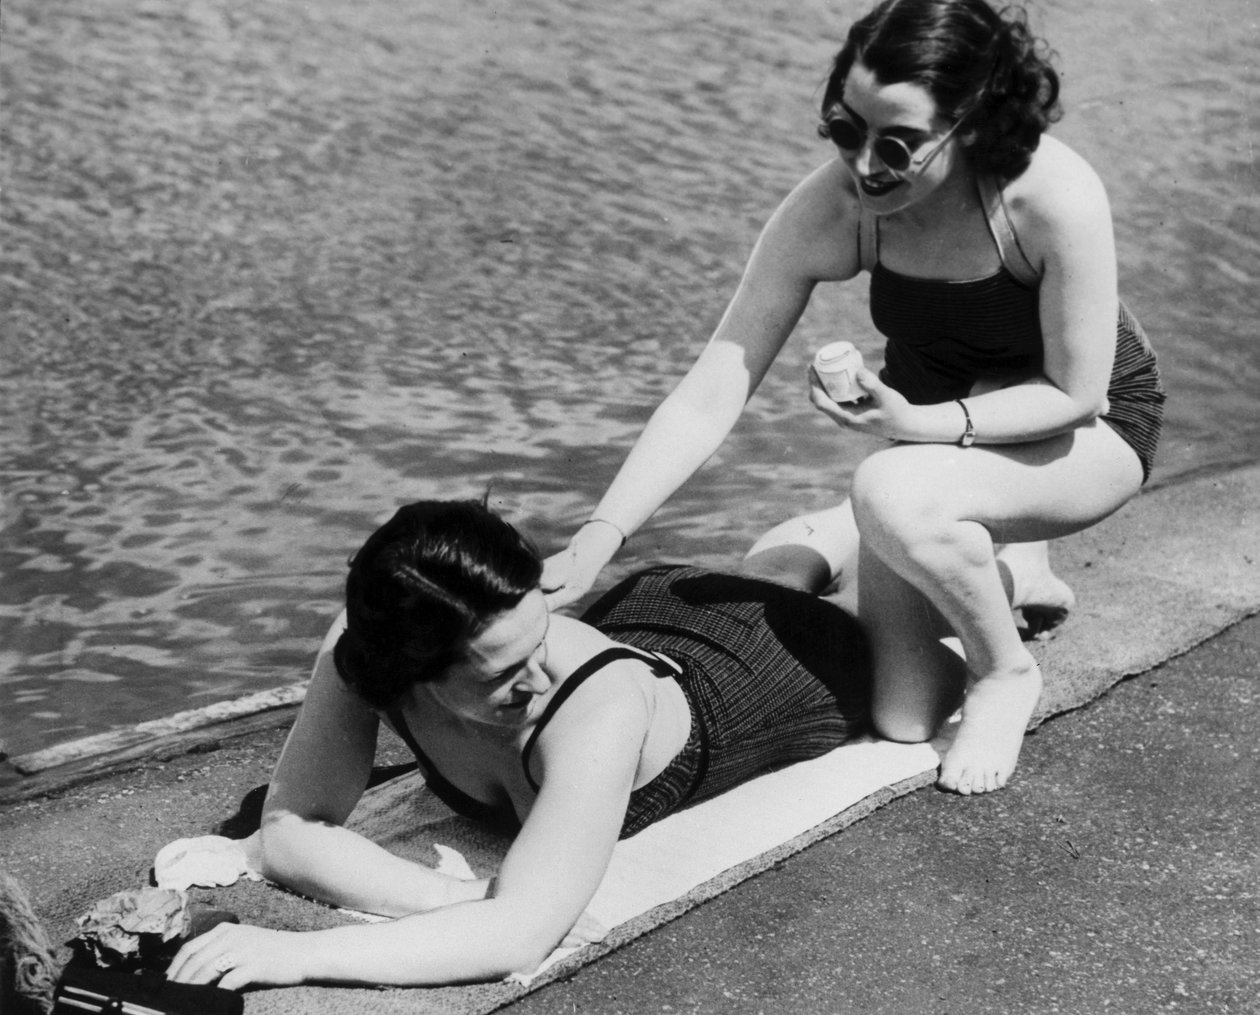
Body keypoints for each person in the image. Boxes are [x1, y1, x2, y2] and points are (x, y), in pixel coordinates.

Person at [542, 0, 1164, 797]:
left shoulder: (1051, 197)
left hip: (1083, 431)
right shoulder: (838, 207)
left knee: (888, 487)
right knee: (901, 712)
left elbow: (1076, 394)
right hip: (943, 448)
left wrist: (914, 424)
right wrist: (602, 533)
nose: (865, 164)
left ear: (973, 121)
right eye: (845, 128)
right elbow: (715, 383)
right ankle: (999, 567)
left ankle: (1005, 670)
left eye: (899, 144)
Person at [165, 498, 879, 989]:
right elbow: (290, 831)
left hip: (777, 671)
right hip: (657, 612)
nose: (538, 675)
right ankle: (814, 545)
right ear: (416, 672)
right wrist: (465, 896)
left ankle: (878, 522)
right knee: (769, 578)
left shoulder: (594, 704)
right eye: (507, 671)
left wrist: (296, 955)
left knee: (867, 631)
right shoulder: (367, 651)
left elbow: (518, 936)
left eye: (540, 636)